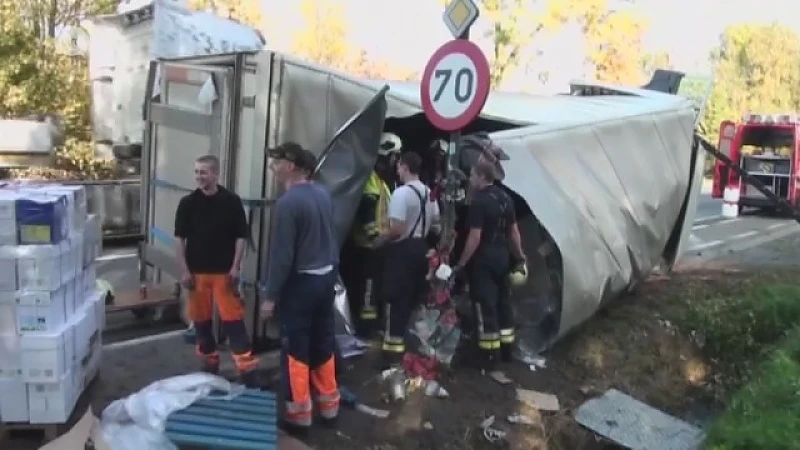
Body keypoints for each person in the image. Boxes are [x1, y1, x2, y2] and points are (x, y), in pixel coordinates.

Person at [259, 142, 340, 435]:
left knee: (296, 349)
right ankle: (330, 407)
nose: (272, 167)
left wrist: (270, 297)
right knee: (323, 343)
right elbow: (332, 239)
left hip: (301, 285)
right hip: (325, 279)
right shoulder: (323, 194)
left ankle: (299, 416)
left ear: (291, 166)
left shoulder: (288, 203)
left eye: (276, 162)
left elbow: (282, 257)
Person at [174, 154, 258, 383]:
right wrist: (184, 270)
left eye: (204, 172)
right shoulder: (187, 204)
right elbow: (180, 239)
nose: (199, 177)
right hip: (197, 274)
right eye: (196, 172)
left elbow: (241, 237)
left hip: (224, 274)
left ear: (216, 174)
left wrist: (236, 267)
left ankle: (247, 371)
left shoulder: (231, 201)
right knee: (201, 322)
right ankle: (209, 365)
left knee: (233, 322)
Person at [453, 159, 526, 369]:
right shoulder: (505, 198)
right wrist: (520, 256)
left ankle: (488, 355)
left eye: (474, 175)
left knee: (485, 306)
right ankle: (506, 351)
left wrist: (462, 263)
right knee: (503, 303)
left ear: (483, 177)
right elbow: (513, 232)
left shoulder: (480, 201)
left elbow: (475, 237)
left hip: (484, 260)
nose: (471, 179)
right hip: (503, 257)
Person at [379, 152, 440, 365]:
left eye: (399, 167)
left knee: (396, 301)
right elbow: (435, 224)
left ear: (405, 167)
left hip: (402, 251)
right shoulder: (428, 193)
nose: (397, 170)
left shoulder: (401, 194)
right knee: (415, 300)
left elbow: (397, 228)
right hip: (421, 249)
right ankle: (413, 350)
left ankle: (391, 355)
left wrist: (382, 239)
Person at [340, 134, 397, 338]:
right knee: (368, 289)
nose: (396, 161)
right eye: (394, 156)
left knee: (374, 288)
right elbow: (366, 211)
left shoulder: (382, 181)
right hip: (367, 247)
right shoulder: (371, 178)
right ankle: (366, 329)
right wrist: (375, 237)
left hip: (378, 245)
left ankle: (371, 324)